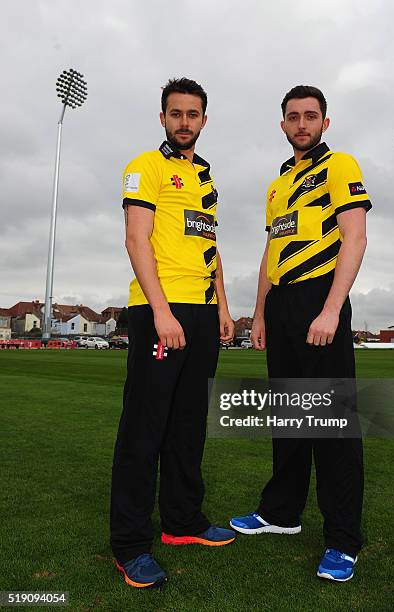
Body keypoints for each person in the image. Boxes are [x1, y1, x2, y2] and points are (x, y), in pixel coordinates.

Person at [230, 85, 371, 582]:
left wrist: (332, 309)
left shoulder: (341, 166)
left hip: (321, 300)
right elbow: (271, 254)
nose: (302, 124)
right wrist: (261, 313)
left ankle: (343, 541)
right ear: (283, 125)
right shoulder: (277, 185)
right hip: (283, 306)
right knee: (288, 419)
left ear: (324, 123)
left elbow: (355, 237)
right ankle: (281, 514)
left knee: (333, 426)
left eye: (311, 116)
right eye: (294, 117)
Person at [110, 77, 236, 589]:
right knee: (145, 430)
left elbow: (210, 250)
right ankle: (130, 544)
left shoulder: (204, 177)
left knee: (188, 426)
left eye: (193, 114)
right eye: (176, 113)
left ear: (204, 120)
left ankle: (182, 522)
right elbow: (136, 239)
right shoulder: (146, 166)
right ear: (162, 117)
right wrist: (163, 311)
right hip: (161, 310)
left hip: (203, 314)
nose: (185, 122)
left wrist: (223, 309)